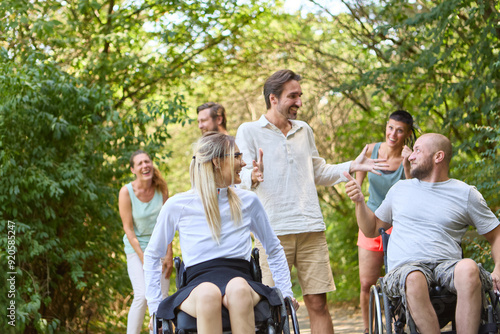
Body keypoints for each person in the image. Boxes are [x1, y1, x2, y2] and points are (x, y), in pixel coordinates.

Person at [235, 69, 389, 334]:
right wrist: (253, 175)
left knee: (318, 303)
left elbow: (317, 171)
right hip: (272, 231)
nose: (299, 102)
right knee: (272, 306)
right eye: (292, 96)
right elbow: (239, 176)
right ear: (273, 98)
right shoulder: (249, 131)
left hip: (311, 228)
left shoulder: (304, 129)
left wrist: (352, 165)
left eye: (300, 95)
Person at [144, 132, 298, 334]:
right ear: (217, 162)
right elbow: (152, 255)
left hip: (241, 278)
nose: (243, 163)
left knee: (238, 289)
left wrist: (286, 293)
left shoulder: (248, 201)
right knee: (209, 293)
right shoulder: (177, 205)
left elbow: (274, 248)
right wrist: (155, 308)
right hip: (197, 284)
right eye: (237, 156)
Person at [344, 133, 500, 333]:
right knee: (414, 276)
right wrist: (359, 202)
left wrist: (498, 269)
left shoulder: (465, 193)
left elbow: (495, 235)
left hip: (447, 265)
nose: (410, 156)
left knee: (469, 268)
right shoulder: (400, 189)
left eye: (417, 150)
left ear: (438, 157)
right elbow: (371, 229)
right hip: (406, 268)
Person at [355, 110, 417, 334]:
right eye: (390, 127)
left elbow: (414, 190)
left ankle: (399, 324)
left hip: (399, 225)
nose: (393, 134)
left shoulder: (408, 157)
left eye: (400, 130)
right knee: (366, 282)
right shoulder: (371, 150)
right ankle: (368, 329)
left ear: (407, 134)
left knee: (400, 280)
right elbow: (356, 183)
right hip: (371, 222)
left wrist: (408, 166)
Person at [119, 150, 174, 334]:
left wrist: (169, 253)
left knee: (162, 297)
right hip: (137, 250)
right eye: (140, 163)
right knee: (142, 295)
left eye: (147, 162)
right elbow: (128, 229)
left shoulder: (161, 189)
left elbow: (168, 223)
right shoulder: (126, 192)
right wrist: (144, 258)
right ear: (133, 169)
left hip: (159, 248)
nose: (145, 166)